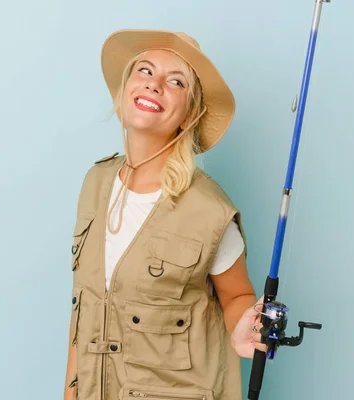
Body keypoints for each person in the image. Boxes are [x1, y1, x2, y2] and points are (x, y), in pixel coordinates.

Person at [64, 29, 266, 400]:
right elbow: (84, 309)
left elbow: (237, 295)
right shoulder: (95, 183)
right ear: (126, 90)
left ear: (190, 114)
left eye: (176, 81)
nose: (154, 84)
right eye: (144, 70)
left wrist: (244, 328)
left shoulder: (210, 210)